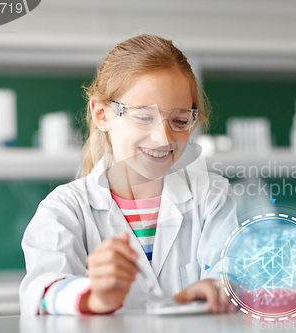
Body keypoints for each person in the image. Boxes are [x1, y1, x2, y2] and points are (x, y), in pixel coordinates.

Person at [19, 34, 237, 315]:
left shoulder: (212, 197)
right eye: (144, 117)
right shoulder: (65, 209)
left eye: (180, 120)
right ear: (102, 115)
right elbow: (42, 293)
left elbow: (233, 272)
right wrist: (92, 297)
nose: (163, 137)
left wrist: (222, 289)